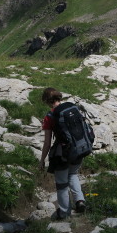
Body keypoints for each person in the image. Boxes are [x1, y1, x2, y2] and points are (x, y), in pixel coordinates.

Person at [39, 87, 86, 220]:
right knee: (73, 174)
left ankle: (64, 212)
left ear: (47, 101)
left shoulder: (50, 116)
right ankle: (80, 201)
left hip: (62, 153)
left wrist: (42, 160)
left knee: (61, 183)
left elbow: (47, 143)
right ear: (59, 98)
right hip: (78, 149)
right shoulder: (72, 108)